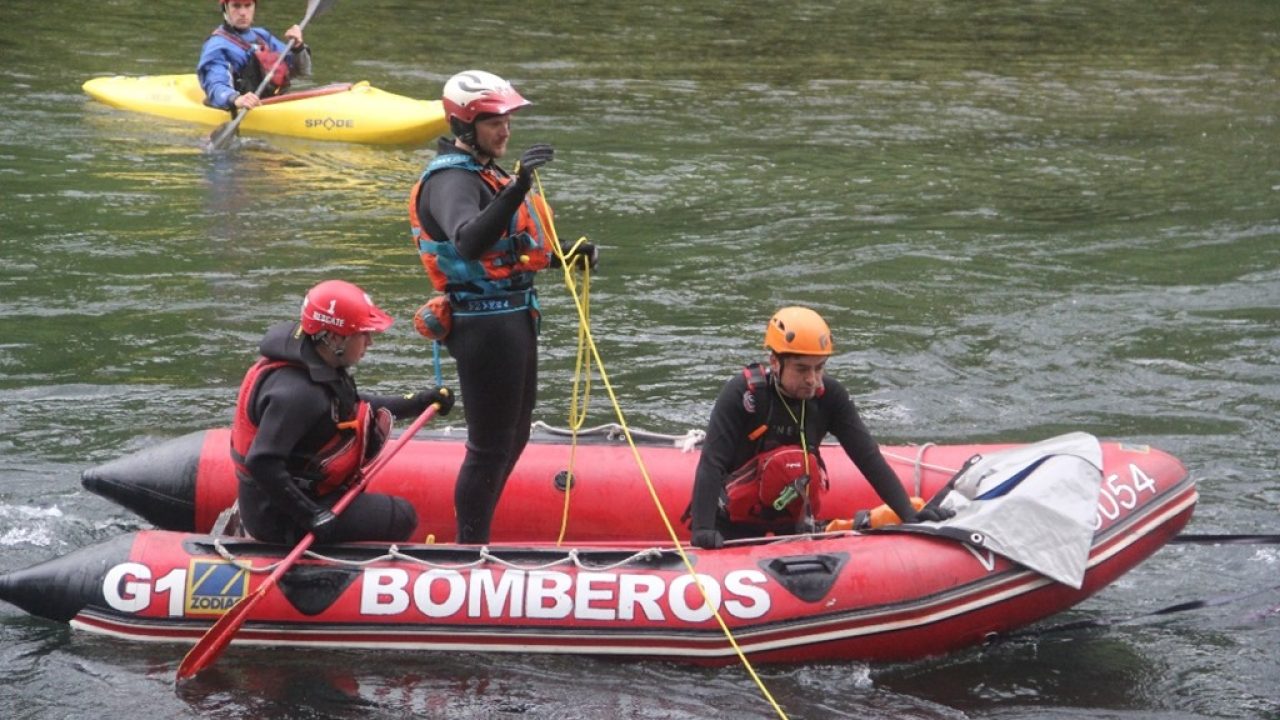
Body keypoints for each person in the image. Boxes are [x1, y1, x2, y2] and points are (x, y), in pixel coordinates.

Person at [408, 69, 597, 544]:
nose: (505, 130)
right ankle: (470, 549)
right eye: (494, 121)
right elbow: (470, 242)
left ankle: (477, 537)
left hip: (512, 316)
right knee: (490, 447)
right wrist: (518, 186)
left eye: (508, 119)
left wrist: (563, 258)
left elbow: (507, 251)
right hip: (482, 326)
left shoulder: (482, 172)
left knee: (514, 437)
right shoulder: (451, 179)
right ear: (464, 125)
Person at [688, 307, 953, 549]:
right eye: (802, 369)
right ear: (775, 362)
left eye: (819, 368)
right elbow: (712, 462)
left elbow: (867, 456)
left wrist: (908, 513)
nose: (812, 380)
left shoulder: (830, 397)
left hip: (794, 525)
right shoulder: (744, 395)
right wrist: (703, 530)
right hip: (734, 525)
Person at [231, 279, 454, 545]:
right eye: (363, 334)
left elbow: (354, 405)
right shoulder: (298, 395)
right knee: (400, 516)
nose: (369, 342)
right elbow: (262, 462)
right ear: (335, 337)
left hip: (299, 499)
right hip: (279, 518)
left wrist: (419, 402)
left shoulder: (317, 361)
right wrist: (312, 516)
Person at [197, 0, 312, 113]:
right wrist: (236, 99)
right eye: (236, 6)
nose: (243, 12)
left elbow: (302, 72)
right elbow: (215, 84)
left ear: (254, 7)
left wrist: (298, 47)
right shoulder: (217, 46)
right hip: (240, 107)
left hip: (269, 104)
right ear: (225, 8)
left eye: (248, 6)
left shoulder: (262, 36)